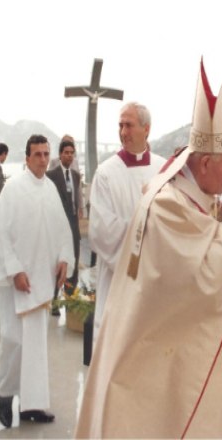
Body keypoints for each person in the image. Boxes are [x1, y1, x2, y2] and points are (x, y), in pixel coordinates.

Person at [75, 61, 222, 438]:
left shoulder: (180, 189)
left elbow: (195, 252)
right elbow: (201, 278)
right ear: (205, 162)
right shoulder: (168, 203)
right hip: (152, 345)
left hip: (166, 335)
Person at [0, 134, 75, 428]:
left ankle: (33, 405)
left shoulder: (51, 188)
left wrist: (65, 258)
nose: (42, 159)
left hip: (41, 278)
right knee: (14, 341)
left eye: (45, 154)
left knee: (37, 345)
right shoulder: (12, 189)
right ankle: (5, 395)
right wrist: (14, 270)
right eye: (36, 154)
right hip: (19, 281)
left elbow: (63, 229)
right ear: (26, 158)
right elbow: (1, 234)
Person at [88, 102, 166, 343]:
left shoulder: (163, 169)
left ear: (147, 129)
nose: (123, 132)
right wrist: (144, 240)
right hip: (117, 280)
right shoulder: (106, 173)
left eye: (129, 125)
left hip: (154, 282)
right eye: (120, 125)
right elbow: (101, 231)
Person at [46, 139, 83, 314]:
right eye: (66, 152)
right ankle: (54, 300)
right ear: (60, 155)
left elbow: (77, 200)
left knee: (72, 261)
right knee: (57, 261)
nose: (69, 155)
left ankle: (69, 298)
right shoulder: (51, 175)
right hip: (57, 225)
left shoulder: (76, 175)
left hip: (73, 225)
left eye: (71, 153)